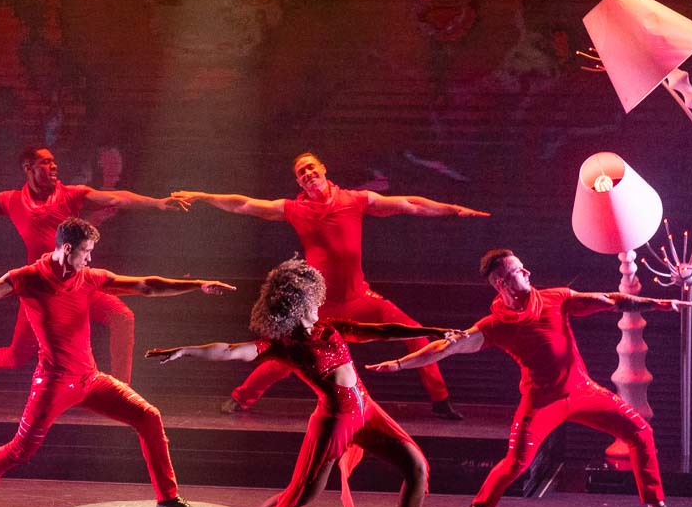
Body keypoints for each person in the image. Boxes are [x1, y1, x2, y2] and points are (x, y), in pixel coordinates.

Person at [0, 217, 233, 507]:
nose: (90, 259)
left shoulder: (90, 278)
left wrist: (197, 285)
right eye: (86, 253)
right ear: (66, 249)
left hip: (90, 379)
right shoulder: (30, 277)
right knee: (21, 450)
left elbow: (148, 286)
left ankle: (168, 501)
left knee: (149, 417)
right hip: (52, 384)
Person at [147, 257, 450, 507]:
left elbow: (380, 331)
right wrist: (186, 350)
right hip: (335, 422)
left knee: (417, 467)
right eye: (313, 298)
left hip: (367, 411)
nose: (319, 301)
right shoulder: (283, 345)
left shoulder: (329, 327)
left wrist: (429, 330)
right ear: (300, 303)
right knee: (302, 494)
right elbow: (230, 350)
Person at [367, 248, 686, 507]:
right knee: (518, 462)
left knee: (641, 431)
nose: (527, 272)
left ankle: (655, 505)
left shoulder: (556, 298)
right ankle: (480, 504)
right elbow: (445, 348)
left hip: (583, 391)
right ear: (502, 283)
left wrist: (656, 304)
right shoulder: (495, 326)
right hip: (540, 403)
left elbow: (609, 301)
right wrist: (398, 364)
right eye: (519, 270)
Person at [172, 152, 487, 419]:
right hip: (319, 305)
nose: (308, 174)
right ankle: (241, 399)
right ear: (299, 182)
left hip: (361, 297)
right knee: (287, 357)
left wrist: (454, 210)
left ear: (323, 170)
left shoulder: (355, 200)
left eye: (311, 167)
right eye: (301, 172)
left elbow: (409, 204)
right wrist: (201, 196)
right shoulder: (294, 209)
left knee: (417, 334)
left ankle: (441, 402)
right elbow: (244, 205)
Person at [0, 146, 188, 403]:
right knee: (18, 355)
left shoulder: (71, 195)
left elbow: (117, 198)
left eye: (54, 161)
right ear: (28, 167)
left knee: (123, 317)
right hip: (39, 290)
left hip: (78, 284)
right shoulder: (12, 201)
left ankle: (120, 391)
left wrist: (158, 203)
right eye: (46, 162)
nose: (54, 166)